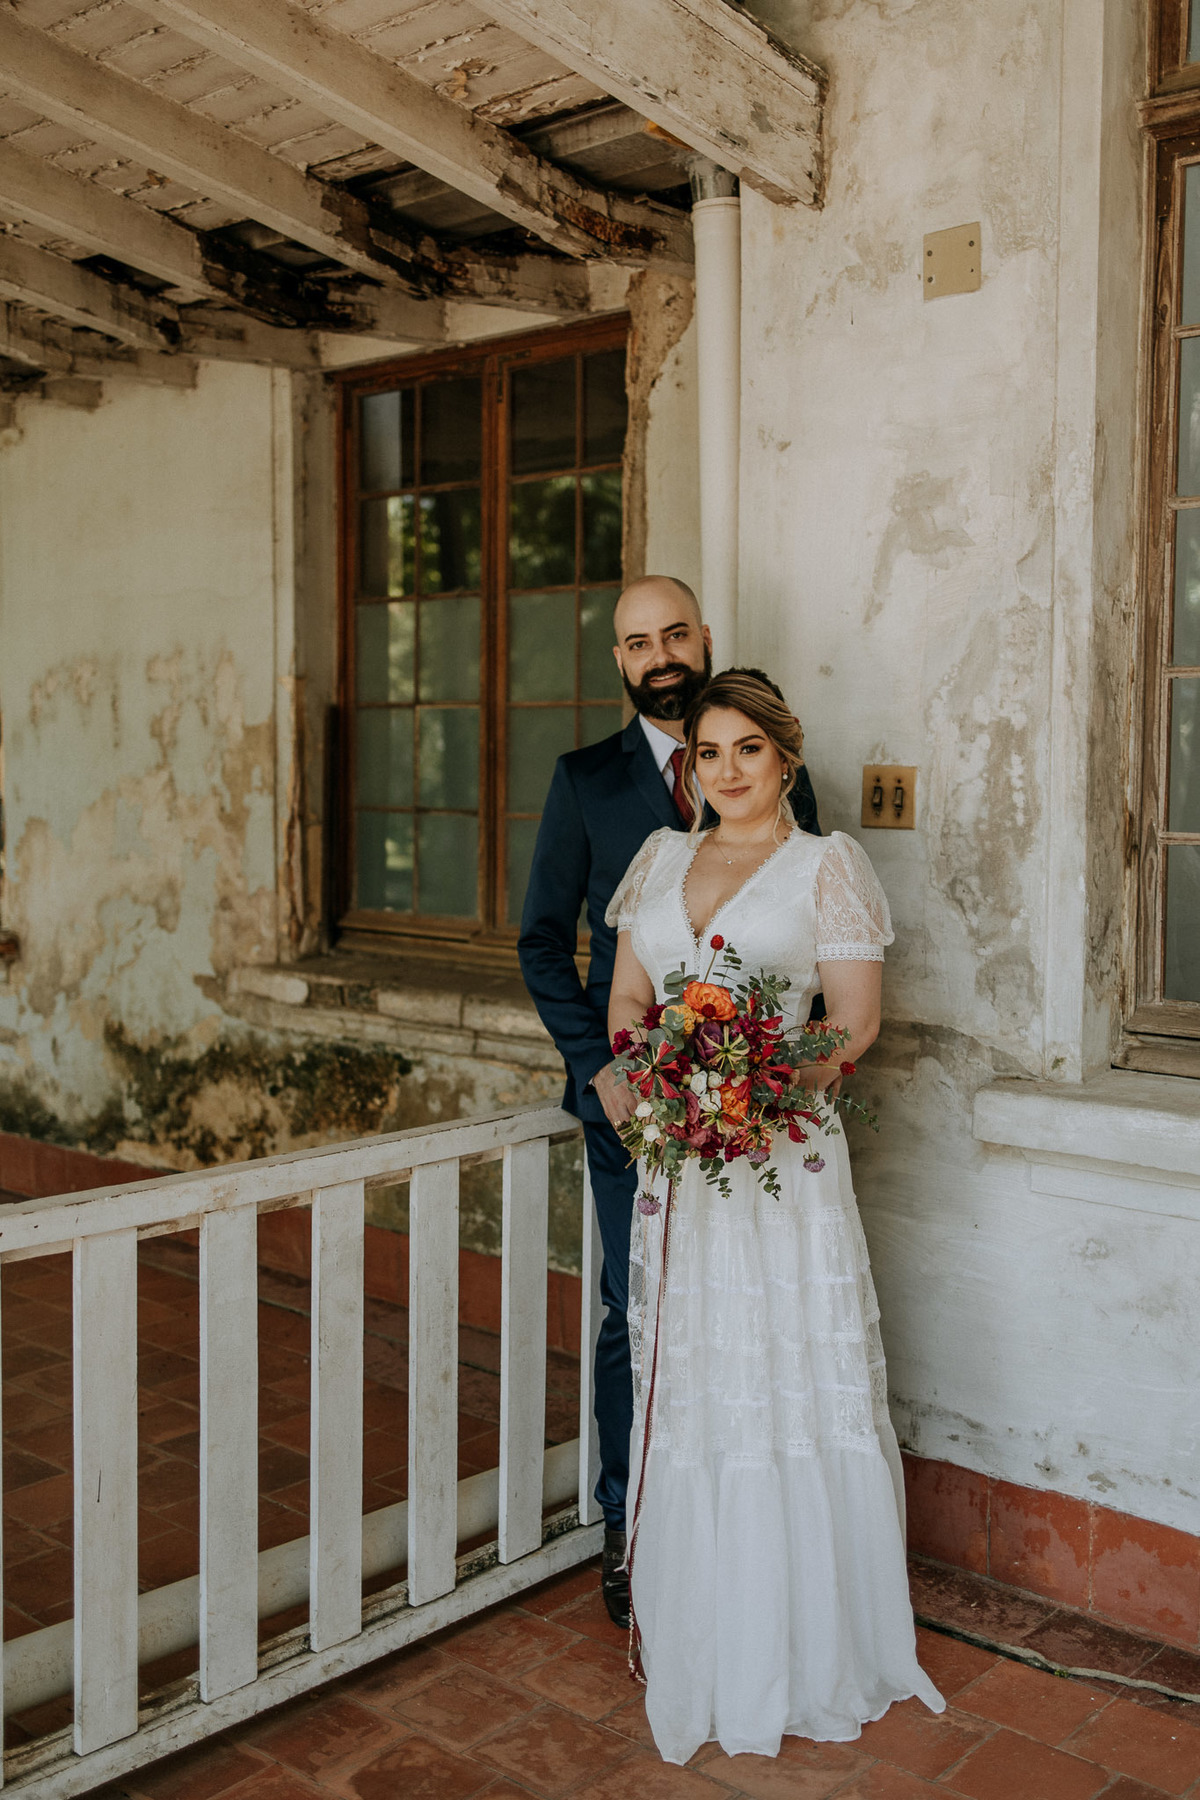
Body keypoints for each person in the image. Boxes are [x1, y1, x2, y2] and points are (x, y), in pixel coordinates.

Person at [605, 668, 943, 1763]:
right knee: (698, 1377)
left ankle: (805, 1643)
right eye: (709, 752)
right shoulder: (658, 860)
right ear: (689, 766)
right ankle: (705, 1629)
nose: (728, 770)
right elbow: (627, 1000)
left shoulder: (825, 870)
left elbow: (851, 1026)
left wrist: (750, 1087)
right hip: (681, 1173)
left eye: (749, 749)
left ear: (786, 759)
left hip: (778, 1171)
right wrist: (645, 1077)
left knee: (782, 1376)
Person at [518, 578, 819, 1628]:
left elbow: (803, 935)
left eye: (675, 634)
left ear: (703, 637)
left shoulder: (769, 774)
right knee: (635, 1311)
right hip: (630, 1110)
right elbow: (542, 940)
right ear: (619, 659)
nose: (660, 656)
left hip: (762, 1123)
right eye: (638, 642)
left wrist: (788, 1071)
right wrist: (599, 1071)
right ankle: (625, 1522)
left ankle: (744, 1523)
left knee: (749, 1313)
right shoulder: (586, 781)